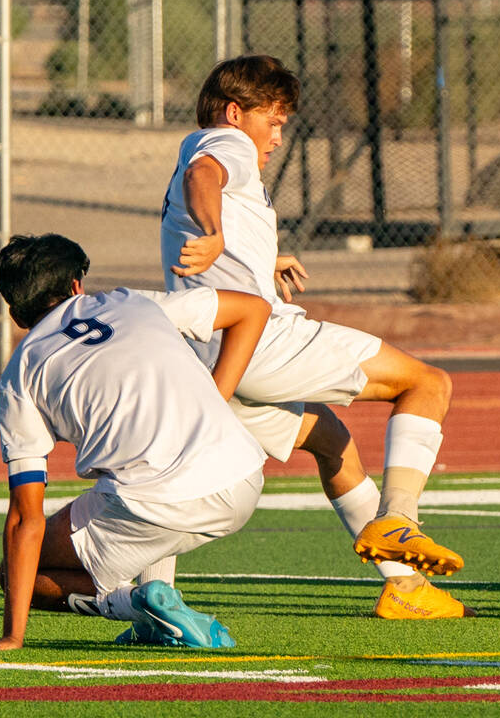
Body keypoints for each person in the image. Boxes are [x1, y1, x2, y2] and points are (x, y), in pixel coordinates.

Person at [157, 54, 471, 620]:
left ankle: (402, 587)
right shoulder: (224, 146)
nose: (277, 136)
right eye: (272, 121)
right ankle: (399, 520)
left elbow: (207, 204)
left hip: (209, 356)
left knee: (328, 442)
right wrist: (214, 233)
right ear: (235, 113)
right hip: (261, 343)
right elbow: (203, 180)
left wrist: (259, 257)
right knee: (428, 384)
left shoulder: (199, 145)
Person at [0, 233, 271, 651]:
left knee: (17, 573)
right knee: (128, 481)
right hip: (243, 474)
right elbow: (254, 308)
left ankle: (138, 607)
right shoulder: (132, 301)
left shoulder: (19, 377)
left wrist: (12, 634)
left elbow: (26, 518)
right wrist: (216, 400)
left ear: (13, 308)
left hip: (154, 504)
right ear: (76, 285)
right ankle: (155, 618)